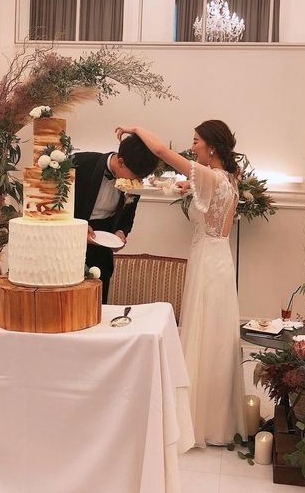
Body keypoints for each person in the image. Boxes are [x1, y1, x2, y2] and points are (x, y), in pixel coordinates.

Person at [115, 120, 247, 446]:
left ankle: (197, 420)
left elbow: (161, 150)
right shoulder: (228, 177)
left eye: (197, 141)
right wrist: (188, 187)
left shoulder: (210, 176)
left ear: (212, 147)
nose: (193, 146)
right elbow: (212, 201)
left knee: (204, 331)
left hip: (209, 260)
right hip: (218, 257)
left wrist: (135, 129)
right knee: (212, 335)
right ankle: (214, 419)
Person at [74, 134, 158, 303]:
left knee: (98, 303)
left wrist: (121, 232)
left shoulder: (134, 181)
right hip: (71, 244)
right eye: (135, 177)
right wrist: (77, 226)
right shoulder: (80, 163)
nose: (137, 181)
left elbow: (128, 215)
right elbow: (56, 205)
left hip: (102, 247)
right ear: (120, 162)